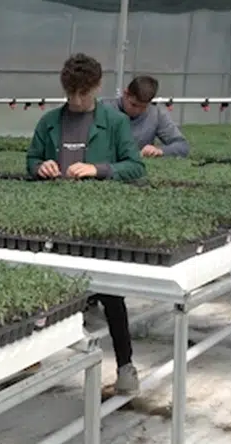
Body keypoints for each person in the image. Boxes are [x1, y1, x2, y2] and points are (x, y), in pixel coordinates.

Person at [26, 53, 145, 395]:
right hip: (54, 218)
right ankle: (30, 357)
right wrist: (40, 167)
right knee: (43, 288)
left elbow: (136, 167)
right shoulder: (49, 122)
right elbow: (31, 159)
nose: (77, 100)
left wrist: (99, 169)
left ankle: (125, 366)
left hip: (98, 224)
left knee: (110, 293)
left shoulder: (115, 122)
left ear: (97, 87)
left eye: (83, 93)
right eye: (71, 93)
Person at [101, 75, 190, 158]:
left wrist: (159, 151)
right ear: (125, 93)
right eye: (133, 105)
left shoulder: (156, 114)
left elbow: (182, 145)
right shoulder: (103, 109)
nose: (137, 111)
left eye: (143, 107)